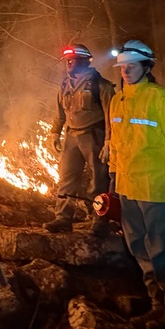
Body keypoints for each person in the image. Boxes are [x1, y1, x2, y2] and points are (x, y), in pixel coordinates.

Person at [107, 39, 165, 329]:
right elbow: (116, 144)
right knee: (138, 247)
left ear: (146, 67)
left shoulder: (161, 99)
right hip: (127, 188)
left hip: (156, 189)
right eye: (122, 67)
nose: (125, 71)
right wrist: (113, 177)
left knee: (162, 249)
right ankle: (156, 304)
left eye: (132, 66)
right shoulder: (117, 100)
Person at [45, 43, 116, 237]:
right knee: (66, 178)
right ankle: (63, 218)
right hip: (72, 137)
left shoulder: (101, 86)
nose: (69, 63)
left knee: (99, 180)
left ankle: (99, 219)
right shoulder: (65, 85)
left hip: (94, 135)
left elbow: (111, 117)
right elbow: (60, 113)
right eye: (67, 60)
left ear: (85, 61)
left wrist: (109, 142)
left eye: (73, 60)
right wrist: (54, 133)